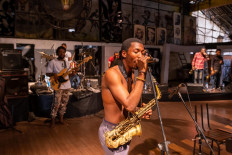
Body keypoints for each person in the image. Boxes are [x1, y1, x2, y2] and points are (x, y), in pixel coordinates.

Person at [99, 38, 152, 154]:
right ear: (124, 54)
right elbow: (129, 105)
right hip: (112, 132)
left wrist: (140, 111)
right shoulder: (112, 74)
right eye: (136, 51)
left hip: (124, 129)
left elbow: (128, 105)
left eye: (142, 53)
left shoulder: (131, 75)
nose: (140, 56)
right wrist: (142, 73)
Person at [46, 46, 77, 127]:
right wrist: (54, 74)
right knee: (56, 104)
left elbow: (69, 75)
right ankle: (53, 120)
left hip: (67, 85)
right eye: (60, 52)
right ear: (57, 53)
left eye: (63, 52)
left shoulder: (67, 62)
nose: (62, 53)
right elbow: (47, 73)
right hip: (58, 86)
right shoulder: (53, 62)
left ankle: (61, 119)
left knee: (64, 103)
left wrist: (73, 73)